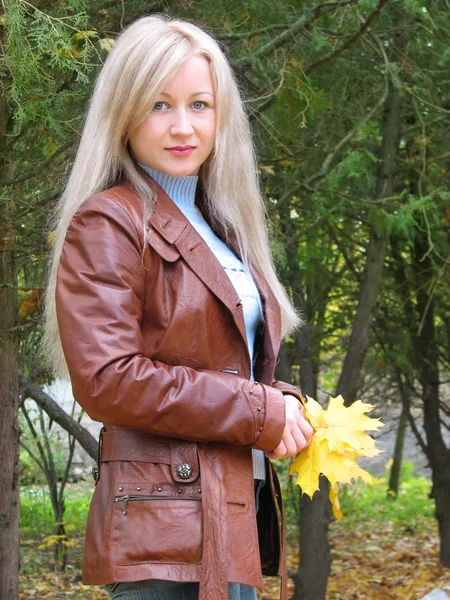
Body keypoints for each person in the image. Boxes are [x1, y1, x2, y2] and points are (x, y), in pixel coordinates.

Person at [43, 14, 313, 600]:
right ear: (124, 113)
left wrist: (280, 406)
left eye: (200, 104)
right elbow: (107, 380)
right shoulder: (109, 222)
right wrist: (257, 410)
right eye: (159, 105)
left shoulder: (224, 226)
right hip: (161, 531)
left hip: (231, 512)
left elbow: (223, 367)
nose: (183, 126)